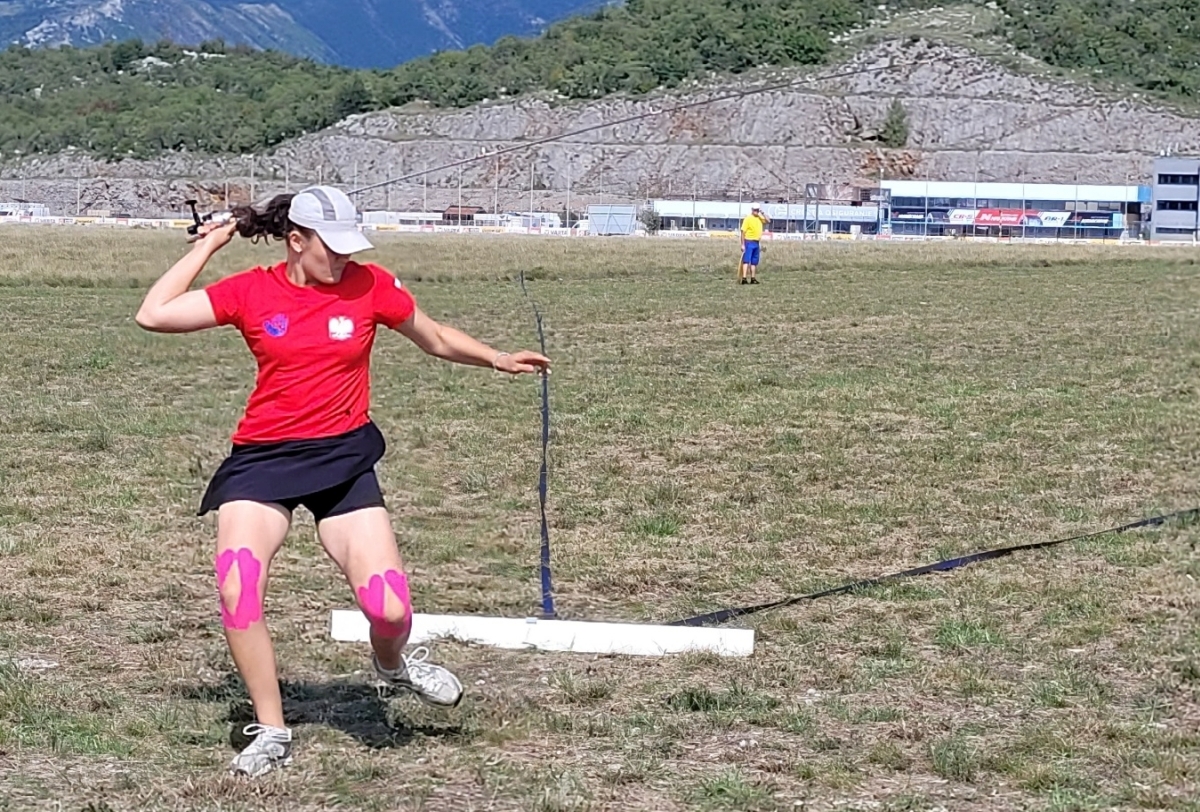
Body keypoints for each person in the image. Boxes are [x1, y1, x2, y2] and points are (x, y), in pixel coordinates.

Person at [134, 186, 551, 778]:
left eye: (350, 247)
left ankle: (393, 664)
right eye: (331, 248)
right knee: (237, 588)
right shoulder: (251, 291)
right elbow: (153, 314)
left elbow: (433, 336)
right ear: (295, 241)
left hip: (343, 458)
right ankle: (272, 729)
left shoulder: (370, 285)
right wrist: (209, 246)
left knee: (390, 610)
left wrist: (496, 358)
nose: (344, 259)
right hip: (263, 461)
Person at [739, 205, 770, 284]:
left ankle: (753, 278)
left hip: (756, 242)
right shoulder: (748, 218)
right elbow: (743, 232)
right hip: (749, 241)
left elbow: (768, 221)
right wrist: (742, 244)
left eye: (757, 210)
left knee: (754, 261)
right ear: (752, 210)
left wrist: (763, 213)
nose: (756, 211)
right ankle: (744, 278)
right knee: (746, 260)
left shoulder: (760, 218)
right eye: (755, 210)